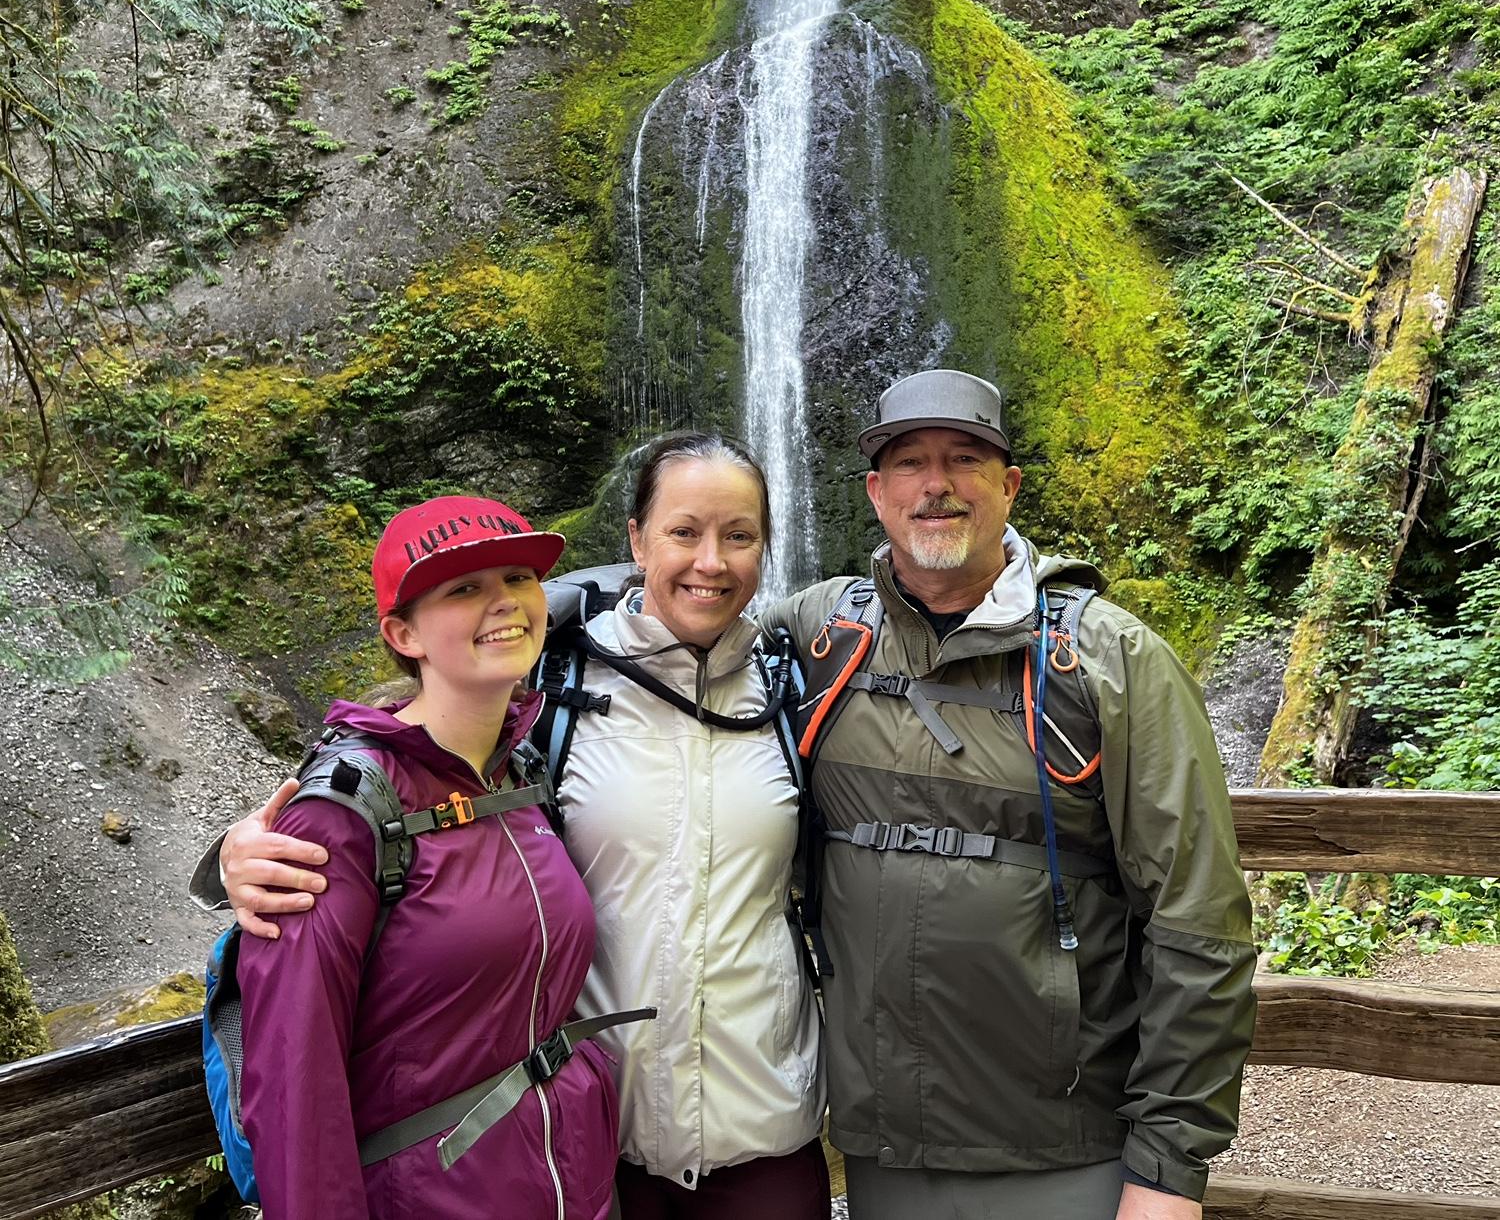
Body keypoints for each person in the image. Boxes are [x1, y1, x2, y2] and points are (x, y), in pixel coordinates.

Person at [204, 435, 829, 1219]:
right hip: (588, 1148)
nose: (711, 560)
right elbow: (296, 1074)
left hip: (712, 1129)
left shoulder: (795, 685)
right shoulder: (556, 691)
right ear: (636, 541)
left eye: (738, 535)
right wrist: (234, 856)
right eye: (683, 531)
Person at [758, 369, 1256, 1220]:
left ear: (1009, 486)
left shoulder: (1111, 661)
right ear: (877, 492)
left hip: (1064, 1147)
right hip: (882, 1143)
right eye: (910, 462)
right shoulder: (821, 636)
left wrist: (1169, 1169)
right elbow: (689, 621)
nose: (937, 484)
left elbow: (1198, 921)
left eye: (965, 459)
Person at [229, 495, 622, 1219]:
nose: (505, 602)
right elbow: (293, 1086)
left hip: (572, 1181)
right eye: (465, 588)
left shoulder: (521, 770)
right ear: (403, 633)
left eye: (518, 578)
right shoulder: (343, 814)